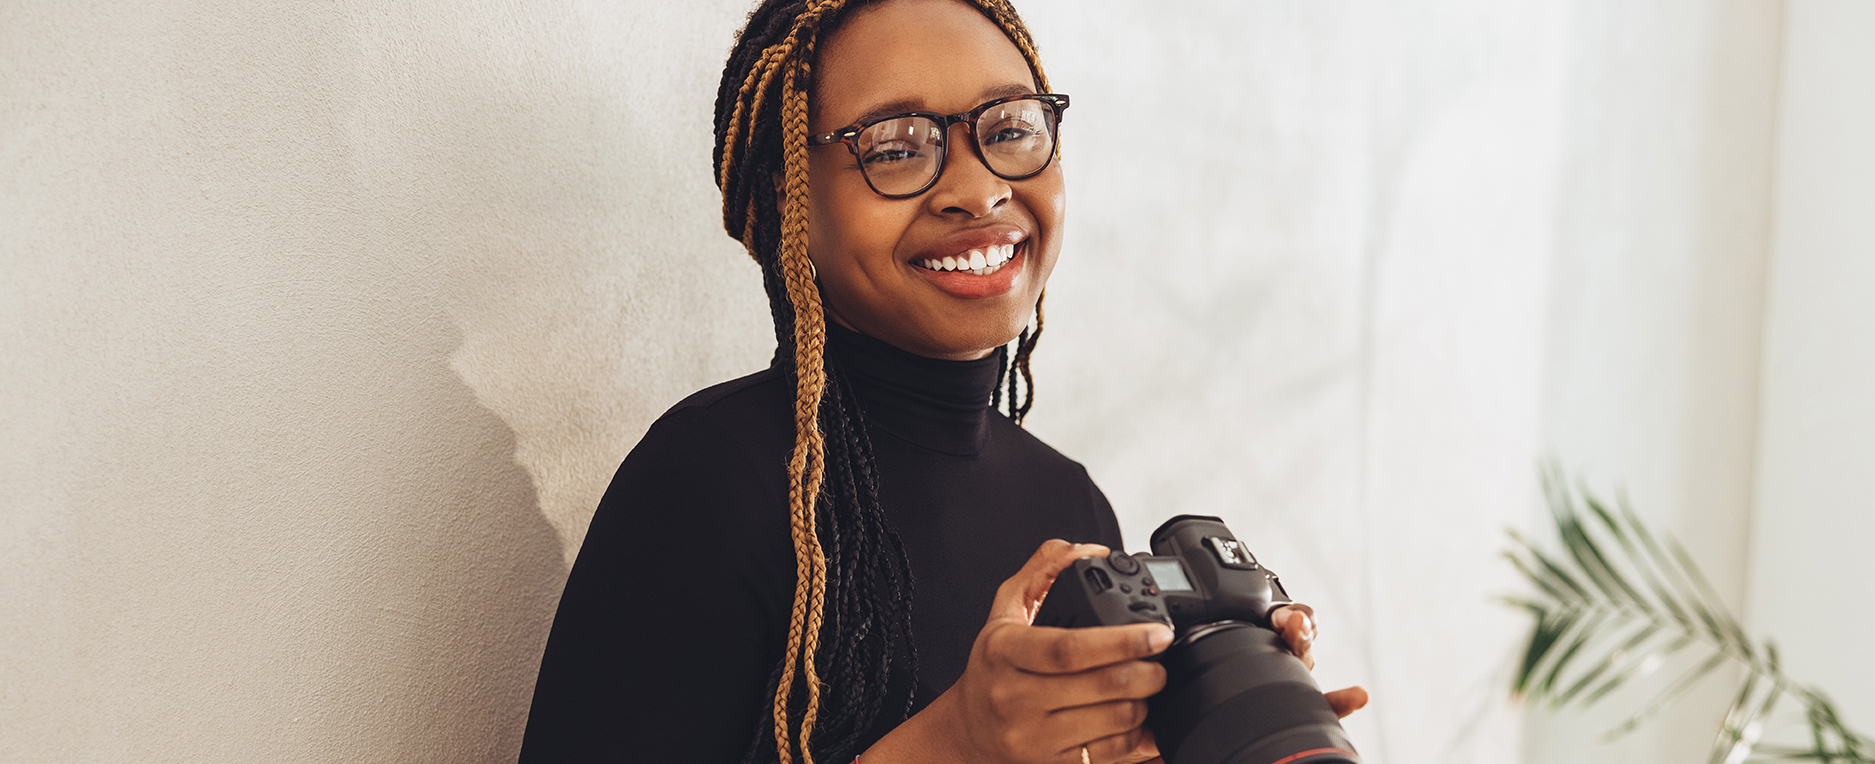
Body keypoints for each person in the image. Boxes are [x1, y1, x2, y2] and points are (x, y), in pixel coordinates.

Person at [518, 1, 1368, 762]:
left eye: (1007, 129)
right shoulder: (710, 480)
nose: (977, 189)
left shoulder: (1067, 504)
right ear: (791, 199)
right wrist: (954, 743)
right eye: (893, 147)